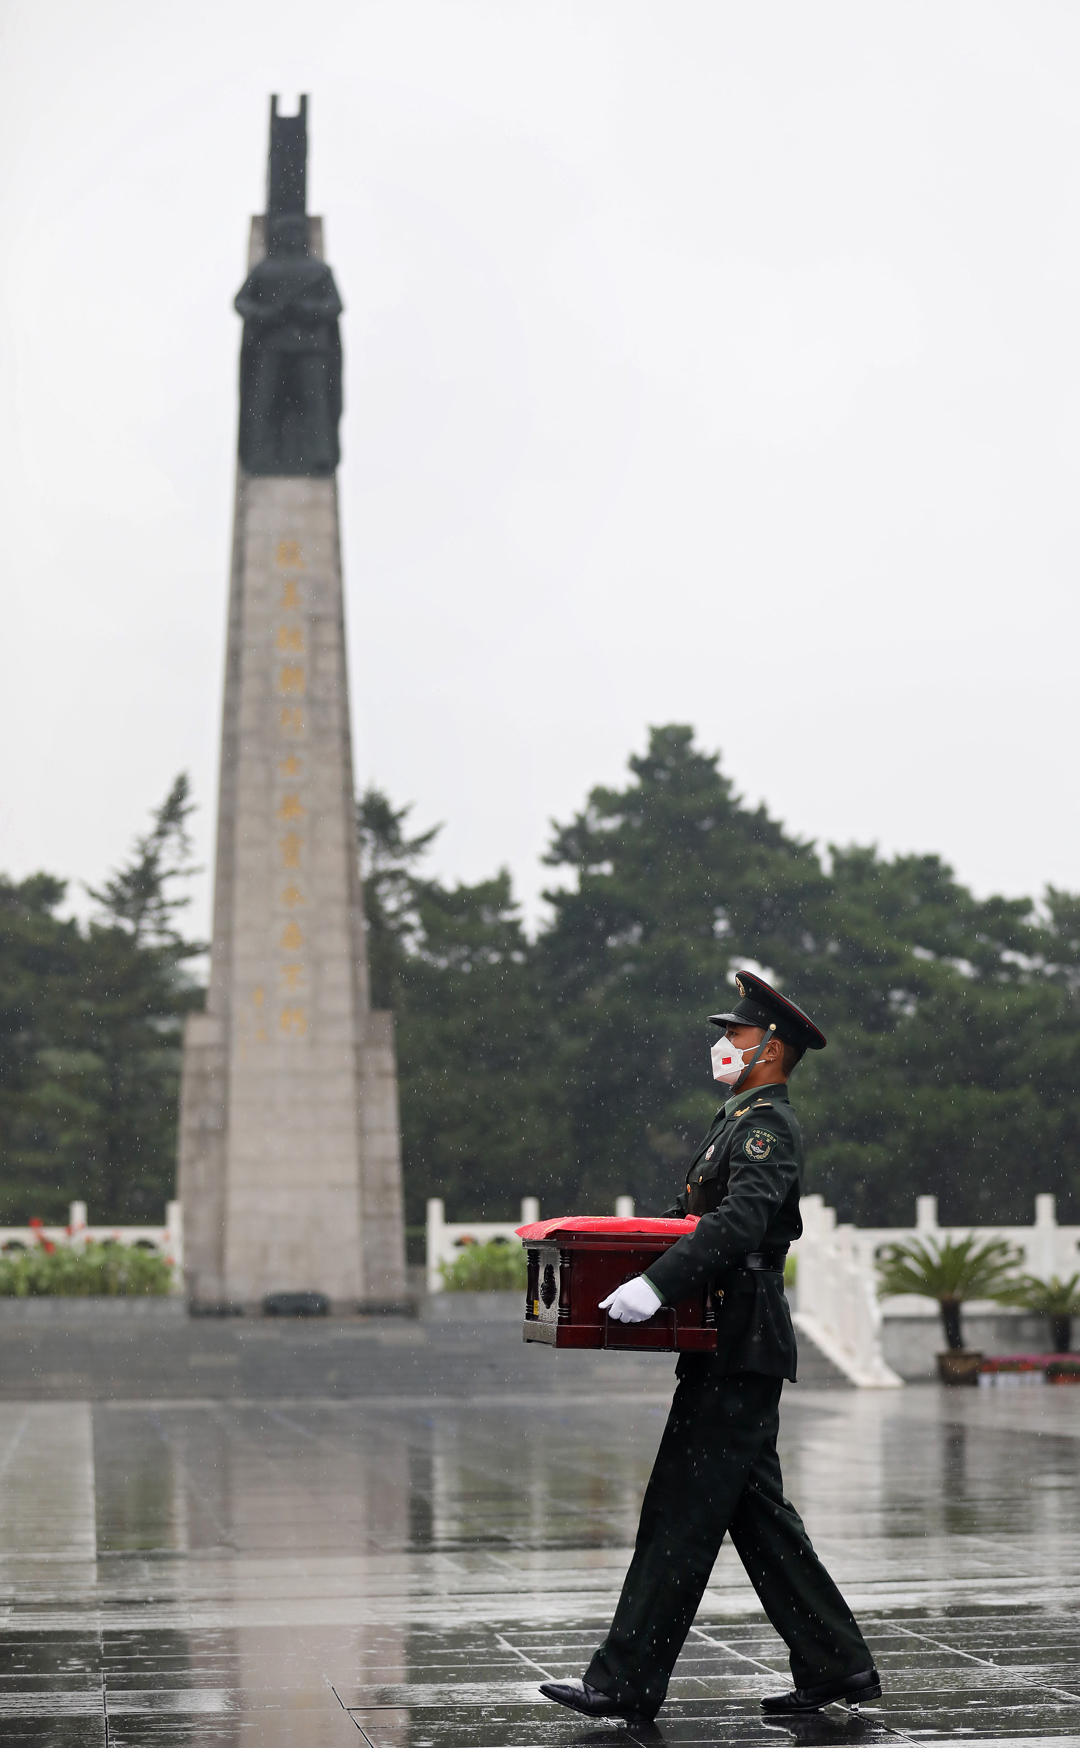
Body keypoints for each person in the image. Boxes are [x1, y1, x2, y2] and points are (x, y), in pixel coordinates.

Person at [539, 971, 880, 1723]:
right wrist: (618, 1249)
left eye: (736, 1033)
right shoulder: (735, 1118)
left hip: (740, 1337)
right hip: (728, 1338)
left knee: (680, 1514)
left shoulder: (768, 1127)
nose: (723, 1044)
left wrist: (658, 1287)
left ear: (771, 1049)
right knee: (757, 1517)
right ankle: (837, 1664)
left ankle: (625, 1679)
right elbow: (690, 1218)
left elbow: (739, 1222)